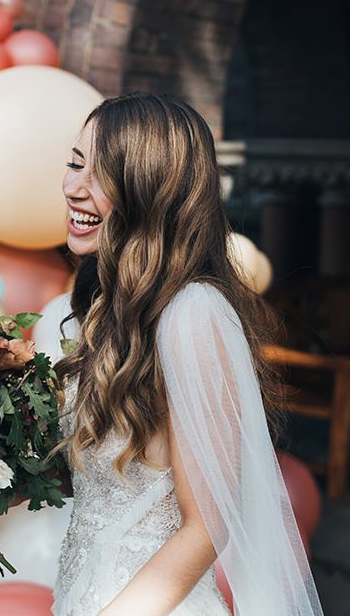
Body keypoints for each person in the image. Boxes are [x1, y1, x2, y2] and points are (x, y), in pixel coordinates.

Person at [52, 93, 323, 615]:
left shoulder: (192, 312)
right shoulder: (107, 305)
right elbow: (106, 479)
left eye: (102, 175)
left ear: (149, 190)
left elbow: (207, 527)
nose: (73, 188)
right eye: (74, 163)